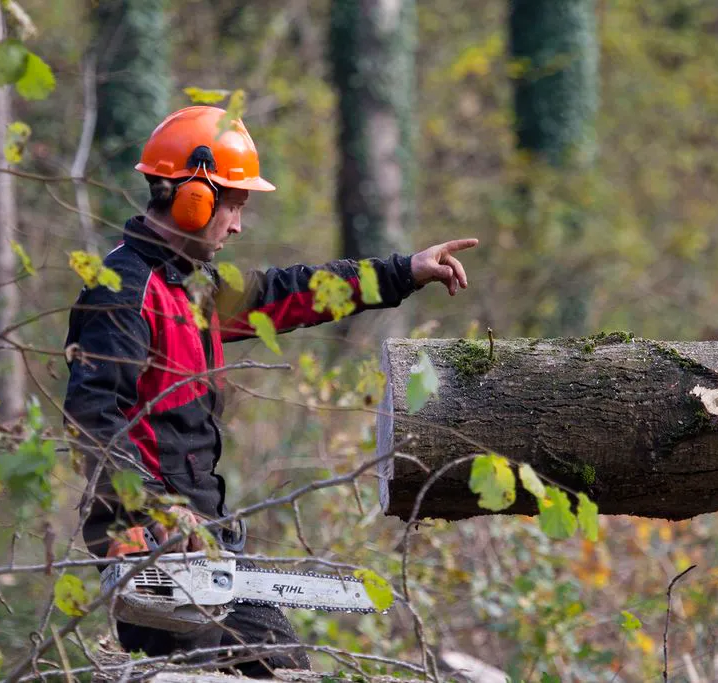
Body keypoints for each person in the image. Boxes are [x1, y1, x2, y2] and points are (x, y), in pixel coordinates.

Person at [62, 105, 477, 675]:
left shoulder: (191, 289)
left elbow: (289, 293)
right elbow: (93, 416)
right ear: (194, 196)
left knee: (274, 664)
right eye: (233, 204)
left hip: (199, 542)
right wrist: (159, 512)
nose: (237, 225)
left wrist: (403, 271)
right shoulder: (126, 290)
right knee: (279, 666)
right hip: (156, 545)